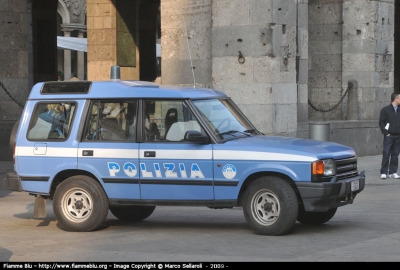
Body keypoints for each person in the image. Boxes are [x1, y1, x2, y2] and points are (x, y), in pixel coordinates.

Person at [379, 93, 400, 179]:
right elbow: (381, 122)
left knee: (395, 155)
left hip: (398, 136)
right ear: (395, 99)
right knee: (386, 154)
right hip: (389, 135)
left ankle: (393, 172)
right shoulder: (385, 110)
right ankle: (384, 172)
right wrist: (385, 132)